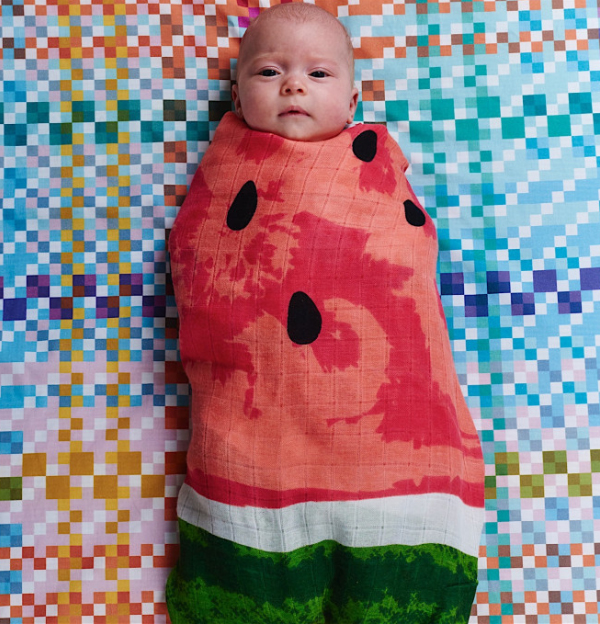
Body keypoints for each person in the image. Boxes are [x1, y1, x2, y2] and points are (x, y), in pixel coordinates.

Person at [166, 4, 485, 623]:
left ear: (354, 98)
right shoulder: (226, 172)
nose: (292, 85)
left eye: (317, 73)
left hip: (382, 419)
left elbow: (403, 255)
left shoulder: (375, 165)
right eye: (268, 72)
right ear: (235, 94)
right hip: (260, 416)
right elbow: (200, 253)